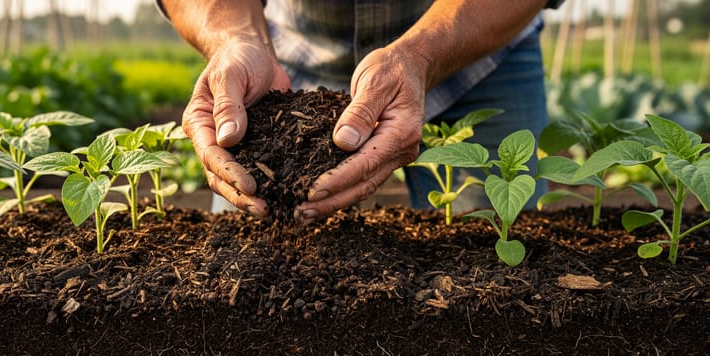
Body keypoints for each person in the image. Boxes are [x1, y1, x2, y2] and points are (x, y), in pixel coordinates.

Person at [158, 0, 565, 223]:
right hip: (282, 69)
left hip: (476, 51)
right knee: (247, 264)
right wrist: (236, 40)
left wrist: (420, 55)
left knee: (492, 257)